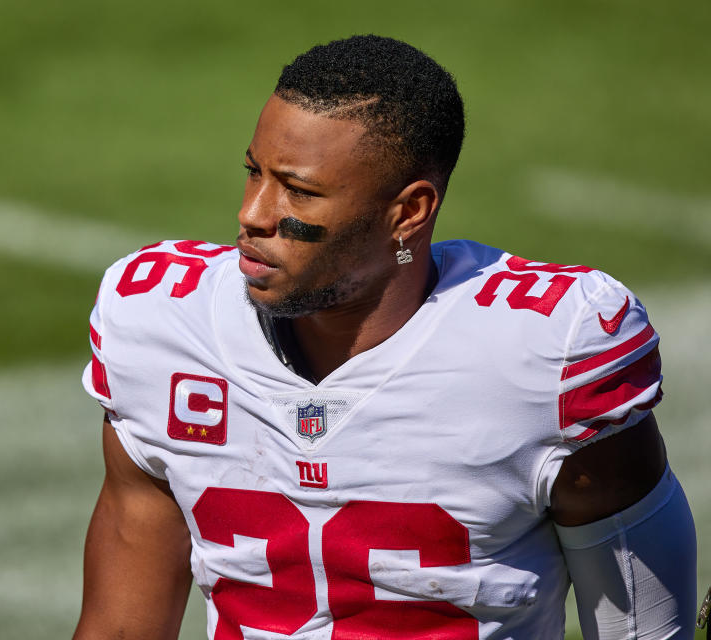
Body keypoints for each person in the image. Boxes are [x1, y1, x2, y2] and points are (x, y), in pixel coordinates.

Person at [74, 35, 697, 639]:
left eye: (298, 189)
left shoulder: (549, 352)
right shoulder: (160, 322)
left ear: (408, 211)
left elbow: (640, 629)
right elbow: (120, 628)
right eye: (253, 172)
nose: (253, 213)